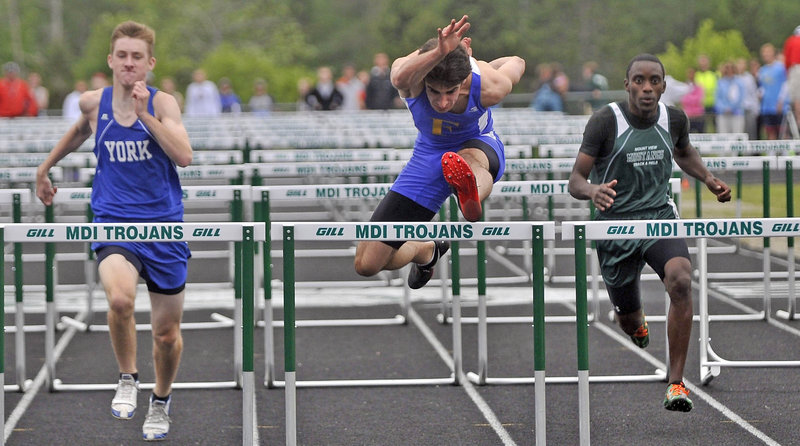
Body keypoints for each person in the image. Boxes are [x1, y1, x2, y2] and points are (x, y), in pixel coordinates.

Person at [35, 20, 192, 441]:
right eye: (121, 56)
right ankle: (128, 376)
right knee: (120, 299)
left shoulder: (164, 105)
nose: (128, 63)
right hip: (113, 222)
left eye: (136, 57)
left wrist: (143, 115)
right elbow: (78, 132)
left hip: (163, 227)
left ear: (149, 63)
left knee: (166, 335)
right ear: (110, 60)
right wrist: (44, 168)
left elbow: (184, 156)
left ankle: (160, 399)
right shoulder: (93, 102)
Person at [568, 54, 731, 413]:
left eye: (654, 81)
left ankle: (676, 382)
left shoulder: (674, 118)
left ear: (663, 85)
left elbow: (684, 151)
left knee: (681, 279)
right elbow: (575, 181)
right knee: (628, 320)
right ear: (627, 84)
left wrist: (707, 178)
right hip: (615, 227)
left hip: (658, 217)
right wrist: (593, 190)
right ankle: (634, 321)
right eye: (639, 81)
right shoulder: (604, 122)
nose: (647, 88)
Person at [353, 15, 525, 289]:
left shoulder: (488, 87)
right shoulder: (410, 79)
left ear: (464, 82)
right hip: (429, 155)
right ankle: (426, 251)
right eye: (434, 92)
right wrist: (440, 51)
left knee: (467, 161)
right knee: (367, 263)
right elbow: (397, 73)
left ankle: (470, 195)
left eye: (452, 92)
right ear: (424, 81)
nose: (443, 102)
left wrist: (478, 64)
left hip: (478, 144)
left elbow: (517, 62)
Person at [758, 43, 787, 140]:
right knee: (770, 132)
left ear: (773, 53)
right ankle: (771, 154)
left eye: (768, 52)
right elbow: (762, 87)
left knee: (782, 132)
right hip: (766, 107)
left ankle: (785, 155)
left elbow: (785, 85)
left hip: (779, 107)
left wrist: (781, 101)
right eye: (764, 53)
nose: (765, 55)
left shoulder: (781, 68)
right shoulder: (762, 70)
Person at [714, 60, 746, 134]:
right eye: (727, 68)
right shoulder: (720, 82)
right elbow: (717, 98)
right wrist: (724, 108)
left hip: (736, 113)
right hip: (723, 114)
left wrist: (732, 108)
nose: (729, 70)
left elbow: (741, 98)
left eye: (731, 68)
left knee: (737, 134)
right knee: (723, 135)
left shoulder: (739, 82)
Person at [736, 58, 760, 141]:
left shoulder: (749, 78)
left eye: (743, 64)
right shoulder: (734, 78)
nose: (741, 66)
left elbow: (754, 94)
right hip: (737, 110)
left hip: (749, 109)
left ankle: (750, 152)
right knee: (739, 133)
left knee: (750, 132)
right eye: (739, 64)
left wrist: (756, 109)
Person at [695, 54, 717, 132]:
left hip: (713, 104)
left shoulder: (713, 75)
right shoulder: (696, 75)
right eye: (702, 62)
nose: (703, 64)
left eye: (705, 63)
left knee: (715, 127)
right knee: (703, 128)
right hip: (701, 105)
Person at [783, 25, 800, 130]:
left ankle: (798, 119)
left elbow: (787, 60)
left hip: (796, 68)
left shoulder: (791, 41)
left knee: (797, 97)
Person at [680, 68, 706, 133]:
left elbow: (699, 100)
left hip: (698, 115)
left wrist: (690, 99)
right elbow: (683, 100)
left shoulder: (699, 86)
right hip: (688, 116)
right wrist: (693, 99)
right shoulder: (683, 86)